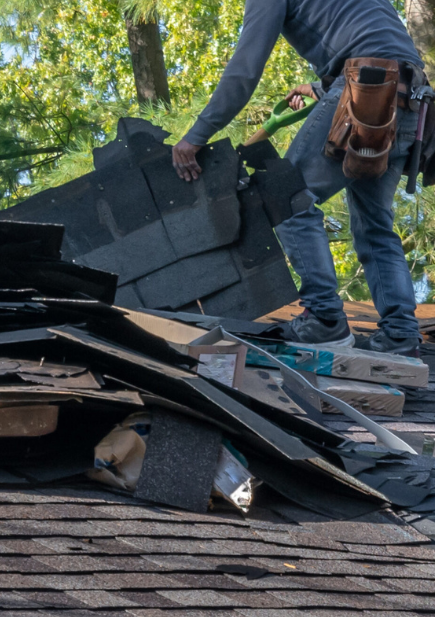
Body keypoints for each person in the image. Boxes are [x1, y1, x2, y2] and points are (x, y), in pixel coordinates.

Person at [172, 0, 425, 356]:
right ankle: (400, 334)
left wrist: (197, 135)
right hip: (412, 103)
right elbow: (379, 43)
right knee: (375, 225)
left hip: (366, 92)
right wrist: (324, 88)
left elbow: (246, 69)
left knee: (287, 197)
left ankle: (323, 319)